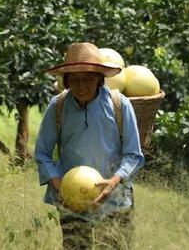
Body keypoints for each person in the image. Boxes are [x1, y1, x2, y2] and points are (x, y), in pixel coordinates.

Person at [34, 42, 145, 249]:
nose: (81, 86)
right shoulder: (57, 107)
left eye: (88, 79)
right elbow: (42, 154)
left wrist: (113, 182)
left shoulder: (119, 105)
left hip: (115, 200)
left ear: (99, 79)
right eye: (74, 80)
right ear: (66, 81)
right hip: (71, 201)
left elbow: (133, 155)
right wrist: (59, 186)